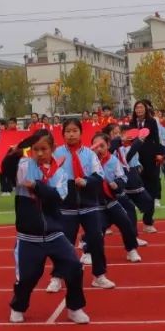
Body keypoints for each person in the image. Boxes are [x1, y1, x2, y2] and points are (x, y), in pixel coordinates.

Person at [2, 130, 90, 324]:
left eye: (44, 149)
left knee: (74, 267)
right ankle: (18, 307)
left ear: (52, 150)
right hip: (28, 237)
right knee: (28, 278)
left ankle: (75, 308)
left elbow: (57, 197)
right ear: (30, 150)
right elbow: (7, 170)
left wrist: (36, 186)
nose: (40, 153)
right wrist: (13, 155)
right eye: (35, 149)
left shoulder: (59, 173)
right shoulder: (24, 165)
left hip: (54, 234)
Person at [45, 119, 116, 293]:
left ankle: (99, 276)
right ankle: (57, 277)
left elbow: (99, 176)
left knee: (96, 240)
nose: (71, 134)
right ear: (63, 134)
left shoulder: (89, 154)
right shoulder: (57, 154)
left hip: (89, 205)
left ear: (80, 133)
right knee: (63, 243)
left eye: (74, 130)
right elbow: (48, 176)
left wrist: (86, 181)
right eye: (67, 131)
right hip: (66, 207)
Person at [90, 132, 141, 262]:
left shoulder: (113, 160)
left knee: (126, 224)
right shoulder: (88, 162)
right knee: (95, 230)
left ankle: (131, 250)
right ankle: (88, 252)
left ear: (108, 145)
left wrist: (117, 185)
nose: (99, 149)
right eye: (95, 146)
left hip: (112, 201)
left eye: (102, 145)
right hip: (96, 204)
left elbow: (122, 177)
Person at [113, 126, 157, 234]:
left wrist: (138, 165)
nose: (120, 136)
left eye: (121, 133)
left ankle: (147, 223)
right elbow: (126, 158)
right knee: (121, 211)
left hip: (134, 179)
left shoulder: (130, 146)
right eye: (116, 133)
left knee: (149, 202)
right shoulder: (114, 149)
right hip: (121, 181)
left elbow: (133, 159)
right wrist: (139, 142)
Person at [129, 100, 164, 205]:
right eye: (137, 108)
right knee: (139, 177)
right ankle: (142, 200)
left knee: (153, 175)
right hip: (136, 153)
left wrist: (159, 153)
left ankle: (155, 198)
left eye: (141, 107)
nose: (139, 110)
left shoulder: (152, 121)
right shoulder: (132, 123)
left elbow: (156, 138)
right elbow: (130, 138)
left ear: (145, 109)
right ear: (134, 110)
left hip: (150, 152)